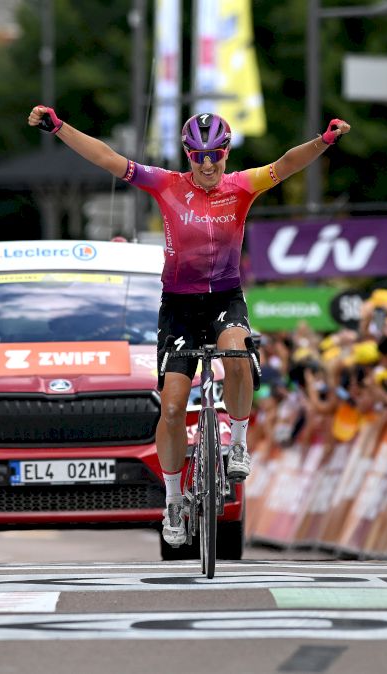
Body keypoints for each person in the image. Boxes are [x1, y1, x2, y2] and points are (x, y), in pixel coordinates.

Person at [28, 105, 351, 547]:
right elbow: (107, 158)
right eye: (197, 156)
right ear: (186, 154)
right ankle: (175, 499)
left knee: (237, 353)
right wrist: (60, 127)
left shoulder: (241, 186)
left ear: (226, 152)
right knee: (175, 406)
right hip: (179, 305)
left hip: (224, 298)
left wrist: (324, 141)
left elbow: (286, 165)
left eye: (215, 154)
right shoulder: (166, 184)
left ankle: (237, 443)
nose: (206, 164)